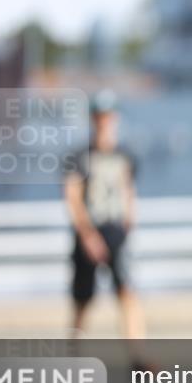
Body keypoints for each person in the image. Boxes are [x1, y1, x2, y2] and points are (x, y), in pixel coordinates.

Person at [64, 91, 146, 344]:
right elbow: (72, 198)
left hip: (116, 231)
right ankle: (74, 358)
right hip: (89, 232)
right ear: (93, 119)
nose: (104, 122)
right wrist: (87, 235)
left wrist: (130, 219)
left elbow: (128, 189)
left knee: (128, 294)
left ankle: (138, 358)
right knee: (82, 300)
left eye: (108, 117)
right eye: (100, 117)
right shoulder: (79, 157)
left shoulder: (125, 155)